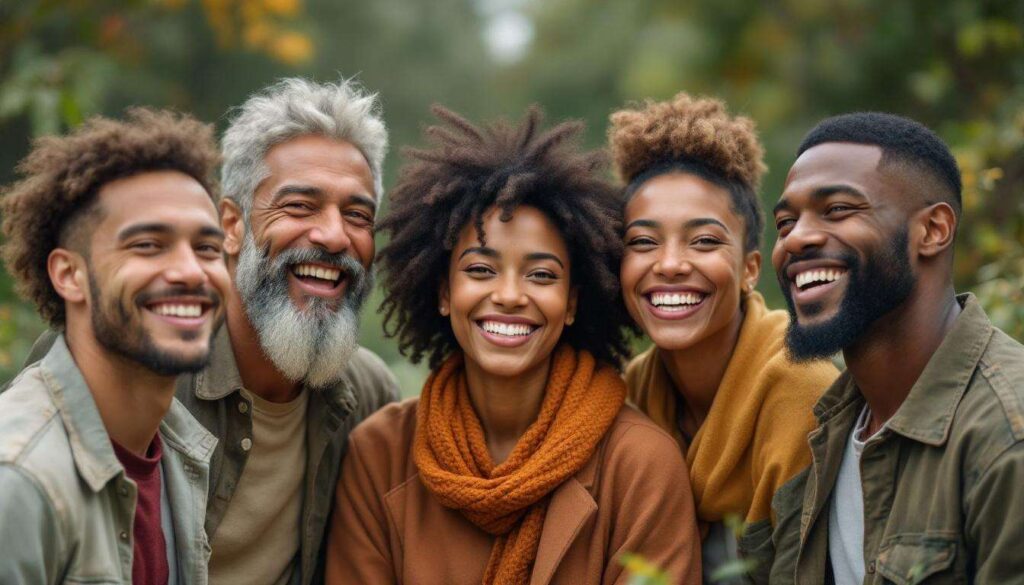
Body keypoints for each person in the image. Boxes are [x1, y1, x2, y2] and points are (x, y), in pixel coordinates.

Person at [15, 78, 401, 585]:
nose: (333, 236)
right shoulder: (132, 367)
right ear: (231, 226)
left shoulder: (368, 399)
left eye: (357, 215)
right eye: (300, 206)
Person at [325, 106, 702, 584]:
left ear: (571, 303)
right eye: (480, 270)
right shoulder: (378, 454)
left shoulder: (640, 466)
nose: (508, 296)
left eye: (541, 275)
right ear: (444, 292)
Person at [768, 112, 1024, 584]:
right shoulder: (825, 430)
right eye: (785, 222)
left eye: (839, 209)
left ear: (933, 230)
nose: (796, 238)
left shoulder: (1006, 438)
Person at [607, 93, 838, 581]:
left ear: (750, 268)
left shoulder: (802, 390)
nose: (669, 264)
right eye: (643, 242)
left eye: (705, 241)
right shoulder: (631, 391)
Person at [0, 109, 229, 584]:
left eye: (208, 248)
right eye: (148, 245)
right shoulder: (19, 480)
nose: (191, 270)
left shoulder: (174, 452)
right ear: (69, 275)